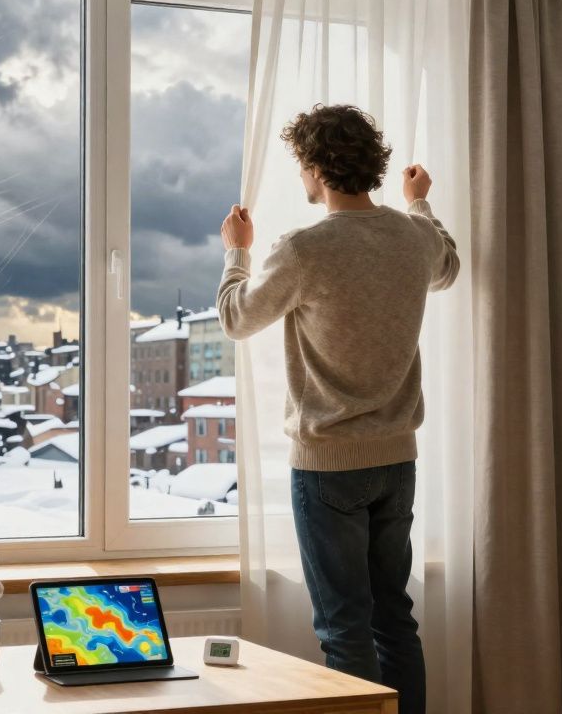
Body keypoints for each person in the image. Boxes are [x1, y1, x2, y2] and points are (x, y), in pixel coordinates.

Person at [216, 103, 458, 714]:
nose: (301, 175)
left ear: (318, 168)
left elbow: (236, 319)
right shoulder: (412, 237)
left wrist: (236, 253)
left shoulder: (303, 248)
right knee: (394, 621)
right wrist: (421, 202)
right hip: (396, 460)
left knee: (345, 627)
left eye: (301, 164)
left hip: (327, 466)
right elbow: (448, 266)